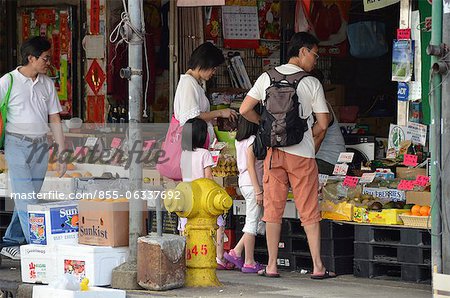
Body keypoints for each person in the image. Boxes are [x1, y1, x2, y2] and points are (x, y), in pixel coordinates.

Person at [239, 32, 336, 279]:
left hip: (274, 154)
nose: (315, 60)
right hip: (302, 154)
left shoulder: (266, 77)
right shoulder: (311, 83)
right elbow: (324, 123)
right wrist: (307, 136)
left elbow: (244, 109)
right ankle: (317, 267)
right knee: (308, 210)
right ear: (302, 51)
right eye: (314, 54)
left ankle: (271, 266)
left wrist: (264, 125)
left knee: (273, 210)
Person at [0, 36, 66, 259]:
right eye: (46, 58)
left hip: (40, 146)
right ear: (31, 58)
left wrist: (61, 153)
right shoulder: (7, 81)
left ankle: (11, 241)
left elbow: (55, 118)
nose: (49, 62)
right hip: (15, 144)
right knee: (27, 199)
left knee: (28, 197)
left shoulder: (47, 83)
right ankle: (39, 250)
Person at [178, 118, 233, 270]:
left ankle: (188, 256)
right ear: (202, 136)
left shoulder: (184, 154)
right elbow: (208, 178)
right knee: (219, 224)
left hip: (188, 197)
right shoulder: (204, 154)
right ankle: (219, 257)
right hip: (203, 197)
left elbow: (187, 176)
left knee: (185, 227)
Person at [173, 42, 238, 145]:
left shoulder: (194, 83)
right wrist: (220, 113)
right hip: (193, 146)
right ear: (204, 63)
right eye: (214, 68)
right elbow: (192, 118)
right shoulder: (188, 83)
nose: (214, 72)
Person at [224, 112, 264, 273]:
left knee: (252, 220)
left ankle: (236, 252)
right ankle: (248, 261)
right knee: (252, 222)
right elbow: (251, 166)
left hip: (244, 182)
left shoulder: (239, 141)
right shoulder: (253, 141)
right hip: (251, 182)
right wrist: (258, 190)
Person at [310, 69, 346, 175]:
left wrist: (305, 160)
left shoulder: (321, 106)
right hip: (321, 159)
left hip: (329, 160)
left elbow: (319, 137)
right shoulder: (307, 104)